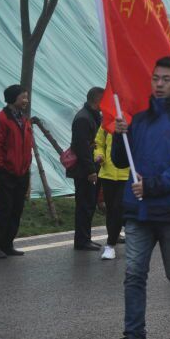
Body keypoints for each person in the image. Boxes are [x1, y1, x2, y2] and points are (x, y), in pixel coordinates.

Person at [107, 57, 170, 339]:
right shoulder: (140, 119)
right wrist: (118, 135)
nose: (159, 84)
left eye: (166, 79)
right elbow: (123, 161)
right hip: (137, 210)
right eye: (155, 79)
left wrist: (153, 185)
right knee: (134, 274)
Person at [0, 85, 33, 259]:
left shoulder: (24, 119)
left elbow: (28, 146)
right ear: (13, 99)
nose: (26, 101)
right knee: (3, 209)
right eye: (23, 98)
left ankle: (7, 244)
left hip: (21, 172)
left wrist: (27, 167)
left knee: (16, 209)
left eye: (26, 97)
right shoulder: (0, 120)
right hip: (5, 172)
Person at [67, 87, 104, 251]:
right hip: (84, 170)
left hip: (91, 167)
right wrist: (91, 170)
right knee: (84, 205)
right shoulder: (83, 118)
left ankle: (85, 238)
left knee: (89, 204)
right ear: (98, 99)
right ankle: (82, 240)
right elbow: (81, 147)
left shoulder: (93, 116)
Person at [95, 125, 130, 260]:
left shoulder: (133, 122)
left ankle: (110, 245)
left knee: (118, 208)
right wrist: (99, 155)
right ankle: (114, 240)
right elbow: (99, 144)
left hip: (127, 175)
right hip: (107, 174)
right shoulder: (106, 124)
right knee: (111, 210)